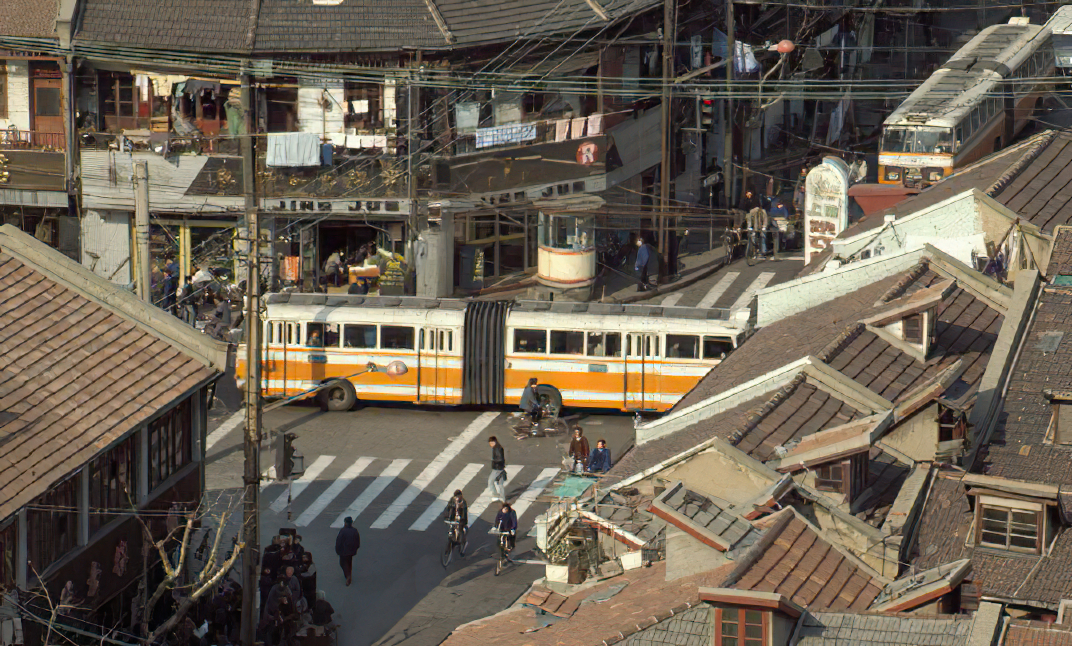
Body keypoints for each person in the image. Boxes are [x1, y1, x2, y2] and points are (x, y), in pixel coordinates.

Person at [335, 516, 360, 586]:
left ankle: (348, 576)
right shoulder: (355, 530)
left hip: (344, 550)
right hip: (352, 550)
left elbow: (339, 541)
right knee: (349, 562)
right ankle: (349, 574)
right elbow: (358, 541)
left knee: (342, 563)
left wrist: (337, 550)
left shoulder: (343, 531)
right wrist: (356, 548)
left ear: (345, 523)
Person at [488, 436, 506, 502]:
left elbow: (500, 458)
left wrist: (494, 460)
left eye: (492, 443)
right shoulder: (497, 447)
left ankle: (495, 495)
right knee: (500, 483)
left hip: (497, 468)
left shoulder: (497, 449)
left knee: (490, 481)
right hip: (500, 468)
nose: (490, 444)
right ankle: (502, 497)